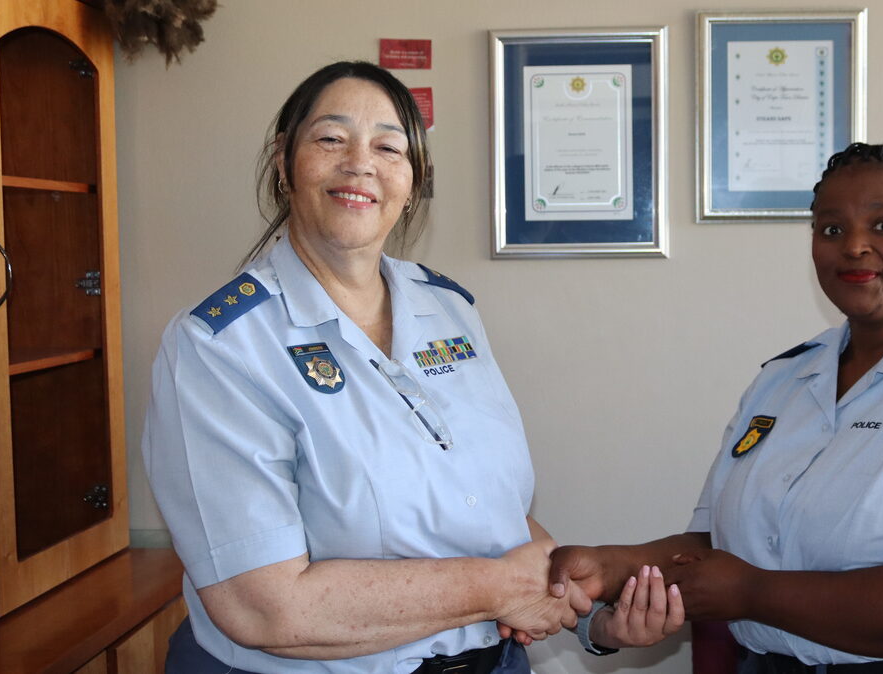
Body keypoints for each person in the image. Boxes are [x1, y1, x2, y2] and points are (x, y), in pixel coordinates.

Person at [550, 142, 883, 673]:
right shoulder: (782, 380)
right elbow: (716, 542)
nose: (854, 247)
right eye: (831, 229)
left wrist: (754, 594)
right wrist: (612, 566)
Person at [142, 61, 579, 674]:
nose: (359, 163)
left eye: (388, 146)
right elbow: (266, 608)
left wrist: (573, 590)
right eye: (330, 138)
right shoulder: (218, 346)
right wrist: (499, 588)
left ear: (412, 178)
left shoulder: (450, 310)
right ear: (283, 160)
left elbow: (485, 501)